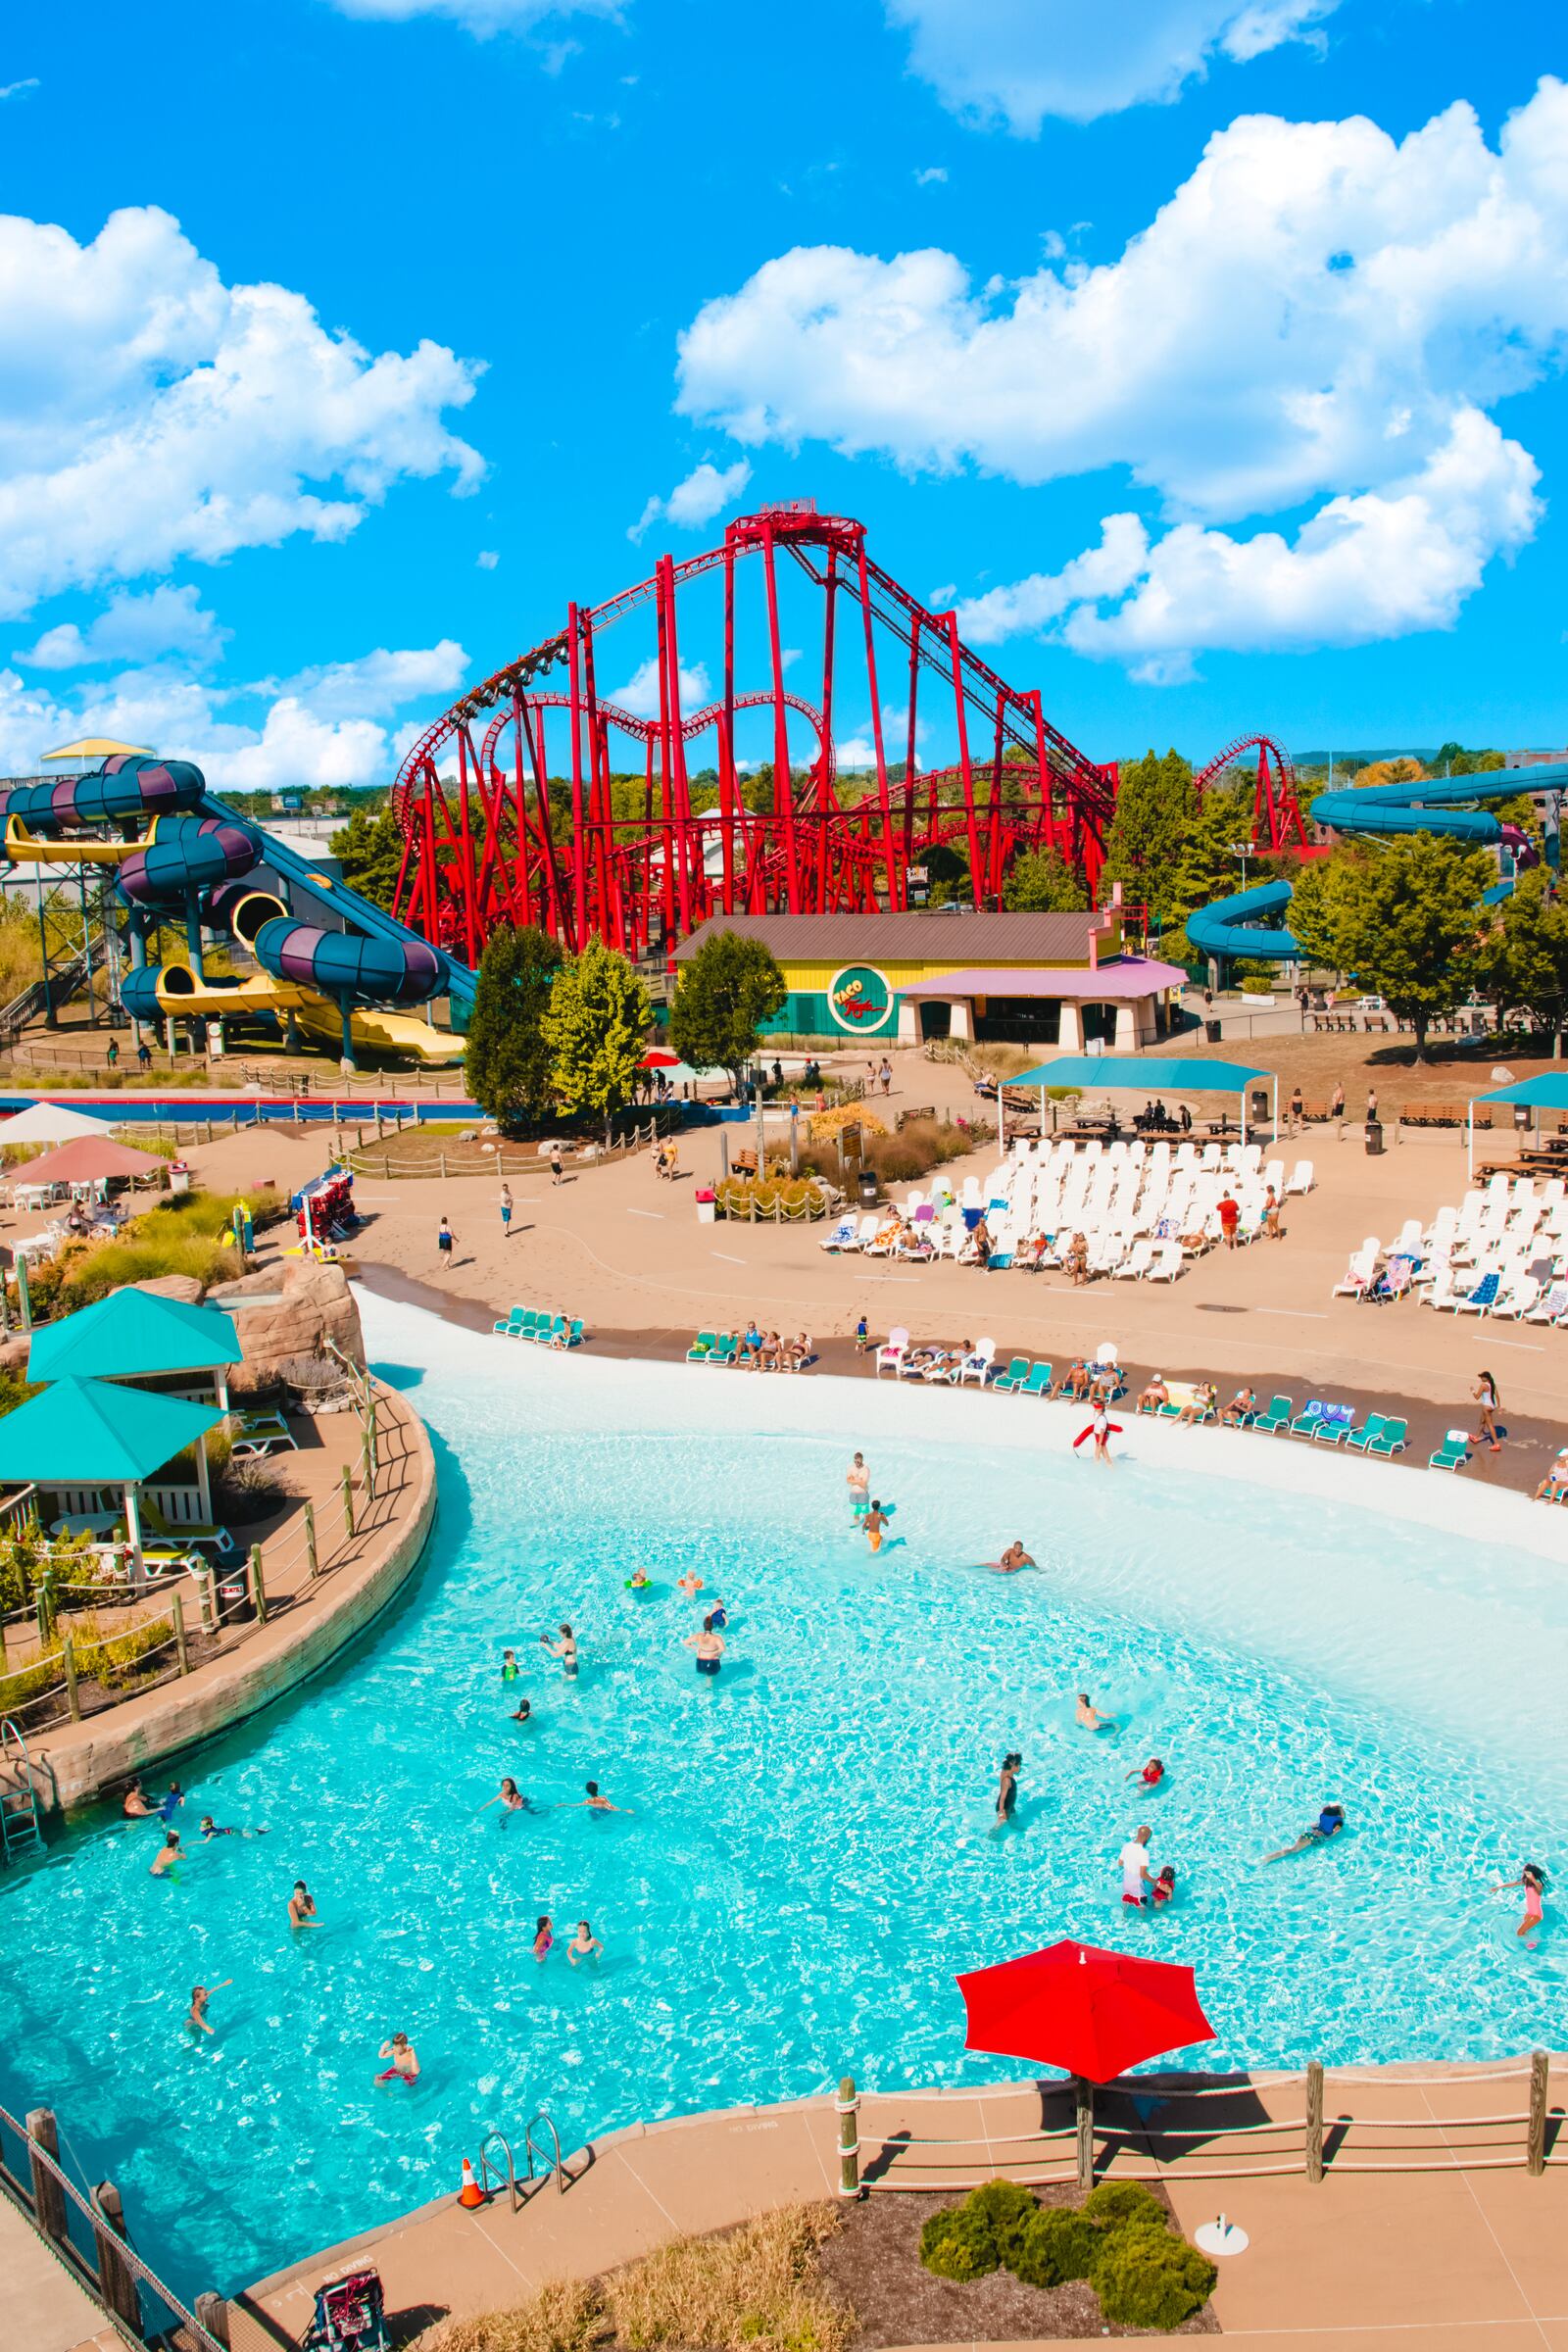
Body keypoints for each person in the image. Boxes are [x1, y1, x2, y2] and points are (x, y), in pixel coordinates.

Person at [1262, 1803, 1346, 1863]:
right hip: (1313, 1838)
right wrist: (1328, 1838)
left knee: (1292, 1849)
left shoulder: (1324, 1815)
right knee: (1292, 1850)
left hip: (1309, 1834)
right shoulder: (1338, 1822)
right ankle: (1268, 1858)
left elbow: (1314, 1825)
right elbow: (1333, 1833)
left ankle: (1267, 1858)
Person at [1492, 1863, 1547, 1943]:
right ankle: (1532, 1940)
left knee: (1519, 1933)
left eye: (1528, 1874)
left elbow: (1539, 1891)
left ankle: (1534, 1943)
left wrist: (1533, 1879)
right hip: (1530, 1913)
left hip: (1536, 1915)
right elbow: (1512, 1884)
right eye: (1525, 1873)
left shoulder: (1538, 1884)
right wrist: (1498, 1887)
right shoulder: (1526, 1882)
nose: (1526, 1875)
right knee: (1521, 1928)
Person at [1119, 1825, 1153, 1905]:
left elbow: (1120, 1863)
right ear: (1146, 1838)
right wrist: (1156, 1882)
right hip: (1137, 1891)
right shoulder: (1144, 1852)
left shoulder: (1126, 1846)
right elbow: (1143, 1875)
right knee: (1144, 1912)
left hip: (1126, 1887)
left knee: (1125, 1912)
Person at [1473, 1371, 1501, 1454]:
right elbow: (1497, 1395)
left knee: (1489, 1425)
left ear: (1486, 1378)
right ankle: (1477, 1437)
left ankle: (1496, 1444)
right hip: (1491, 1406)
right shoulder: (1492, 1384)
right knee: (1482, 1421)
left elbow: (1477, 1397)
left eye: (1482, 1377)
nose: (1481, 1379)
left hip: (1486, 1406)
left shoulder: (1483, 1385)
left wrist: (1472, 1391)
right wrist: (1498, 1406)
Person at [995, 1751, 1022, 1824]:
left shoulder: (1007, 1772)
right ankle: (991, 1835)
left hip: (1010, 1805)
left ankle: (1014, 1827)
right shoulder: (1007, 1780)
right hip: (1004, 1807)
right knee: (999, 1826)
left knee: (1015, 1818)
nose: (1020, 1767)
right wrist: (1001, 1813)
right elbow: (1002, 1799)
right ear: (1013, 1765)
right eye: (1019, 1765)